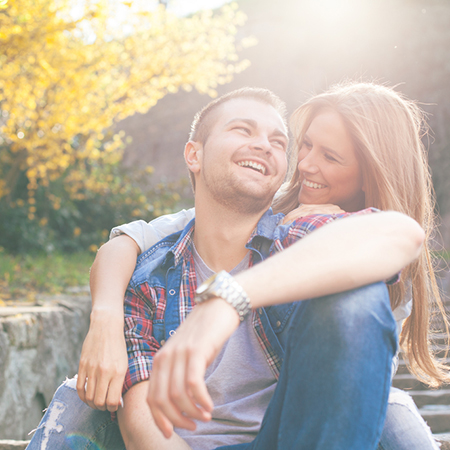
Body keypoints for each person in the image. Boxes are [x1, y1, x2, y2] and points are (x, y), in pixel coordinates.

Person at [27, 85, 427, 449]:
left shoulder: (304, 233)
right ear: (194, 154)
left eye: (278, 141)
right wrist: (105, 314)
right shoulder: (151, 275)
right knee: (77, 398)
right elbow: (127, 241)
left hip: (298, 432)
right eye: (243, 130)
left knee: (363, 317)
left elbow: (401, 234)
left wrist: (226, 300)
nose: (301, 162)